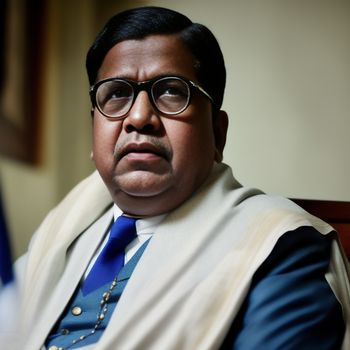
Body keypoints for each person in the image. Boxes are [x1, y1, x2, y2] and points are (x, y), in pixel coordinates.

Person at [13, 6, 350, 350]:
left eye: (172, 91)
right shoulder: (58, 234)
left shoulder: (281, 247)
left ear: (218, 135)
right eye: (116, 94)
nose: (140, 117)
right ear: (93, 131)